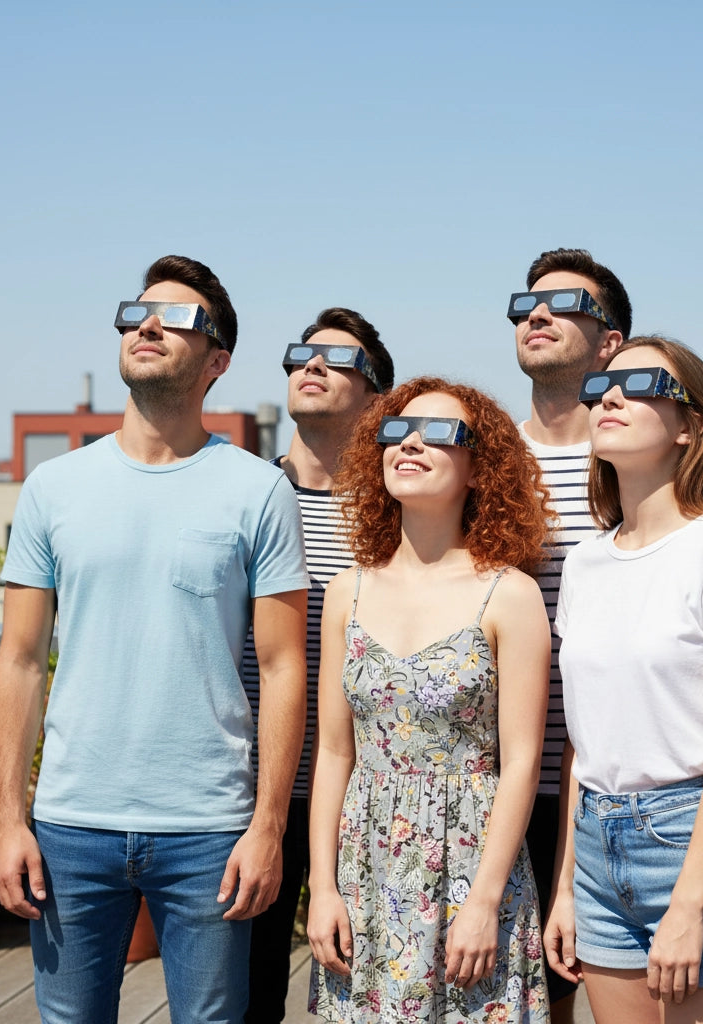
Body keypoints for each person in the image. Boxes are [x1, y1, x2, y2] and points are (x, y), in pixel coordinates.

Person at [0, 255, 310, 1024]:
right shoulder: (54, 489)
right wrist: (9, 822)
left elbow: (284, 664)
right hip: (71, 825)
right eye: (137, 311)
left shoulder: (259, 490)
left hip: (208, 830)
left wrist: (268, 826)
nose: (149, 324)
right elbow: (21, 660)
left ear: (218, 361)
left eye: (179, 317)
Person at [544, 336, 703, 1022]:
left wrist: (687, 905)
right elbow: (580, 746)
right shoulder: (586, 565)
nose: (608, 396)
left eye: (640, 384)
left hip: (692, 845)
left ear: (690, 426)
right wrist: (565, 887)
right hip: (595, 845)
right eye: (600, 388)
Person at [307, 377, 553, 1023]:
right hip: (366, 868)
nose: (410, 443)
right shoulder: (346, 592)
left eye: (441, 433)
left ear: (479, 469)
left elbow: (522, 762)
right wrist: (324, 887)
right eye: (396, 430)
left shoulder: (509, 594)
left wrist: (483, 901)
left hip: (471, 865)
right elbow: (334, 752)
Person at [241, 307, 394, 1023]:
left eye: (339, 360)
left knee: (363, 986)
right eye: (303, 354)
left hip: (359, 789)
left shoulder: (398, 514)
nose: (312, 365)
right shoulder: (240, 494)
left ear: (377, 398)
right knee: (245, 988)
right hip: (249, 787)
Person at [509, 247, 631, 1023]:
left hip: (606, 773)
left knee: (588, 987)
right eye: (525, 306)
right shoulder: (487, 459)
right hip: (497, 774)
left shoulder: (634, 455)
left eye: (564, 305)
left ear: (610, 342)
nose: (537, 315)